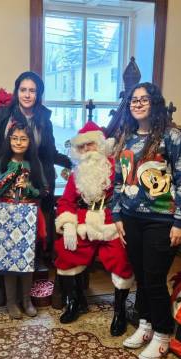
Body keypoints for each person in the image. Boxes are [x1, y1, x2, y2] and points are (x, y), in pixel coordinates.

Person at [111, 82, 181, 359]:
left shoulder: (172, 137)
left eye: (144, 99)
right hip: (131, 219)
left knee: (154, 279)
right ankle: (145, 325)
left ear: (155, 103)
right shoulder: (128, 137)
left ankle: (162, 333)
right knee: (142, 277)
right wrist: (117, 215)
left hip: (162, 220)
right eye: (134, 99)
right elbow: (120, 181)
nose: (137, 103)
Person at [0, 70, 72, 258]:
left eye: (32, 91)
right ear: (17, 91)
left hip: (33, 184)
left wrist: (71, 162)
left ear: (39, 94)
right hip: (4, 185)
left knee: (30, 238)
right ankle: (3, 284)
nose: (27, 95)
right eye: (23, 89)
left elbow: (49, 153)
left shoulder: (44, 120)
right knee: (3, 234)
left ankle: (27, 281)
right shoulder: (2, 116)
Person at [54, 121, 134, 334]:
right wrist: (69, 224)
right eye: (82, 147)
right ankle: (75, 301)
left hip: (111, 222)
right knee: (65, 249)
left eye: (91, 144)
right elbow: (65, 201)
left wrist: (121, 223)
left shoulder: (115, 167)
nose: (87, 150)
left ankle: (120, 311)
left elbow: (126, 197)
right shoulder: (76, 172)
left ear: (101, 145)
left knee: (121, 257)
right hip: (83, 223)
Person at [0, 122, 46, 319]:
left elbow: (44, 190)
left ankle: (26, 300)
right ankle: (11, 302)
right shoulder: (0, 163)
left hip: (29, 216)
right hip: (6, 216)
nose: (19, 142)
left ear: (30, 142)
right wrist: (11, 175)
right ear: (9, 140)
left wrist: (29, 186)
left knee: (27, 259)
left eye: (23, 138)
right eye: (15, 138)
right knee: (10, 261)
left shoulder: (35, 164)